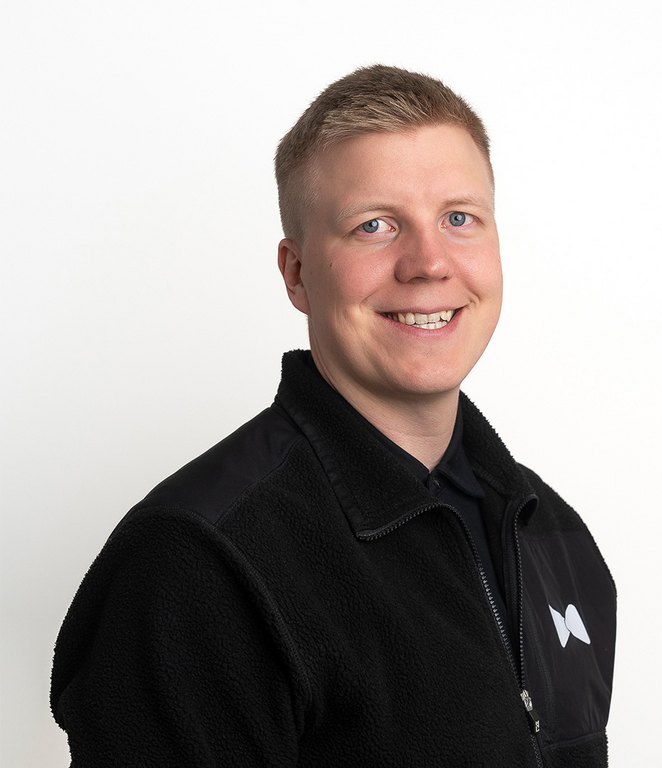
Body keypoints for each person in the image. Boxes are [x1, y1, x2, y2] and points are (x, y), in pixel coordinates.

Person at [51, 65, 616, 767]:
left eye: (458, 218)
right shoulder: (197, 562)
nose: (429, 263)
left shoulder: (552, 534)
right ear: (296, 273)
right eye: (374, 225)